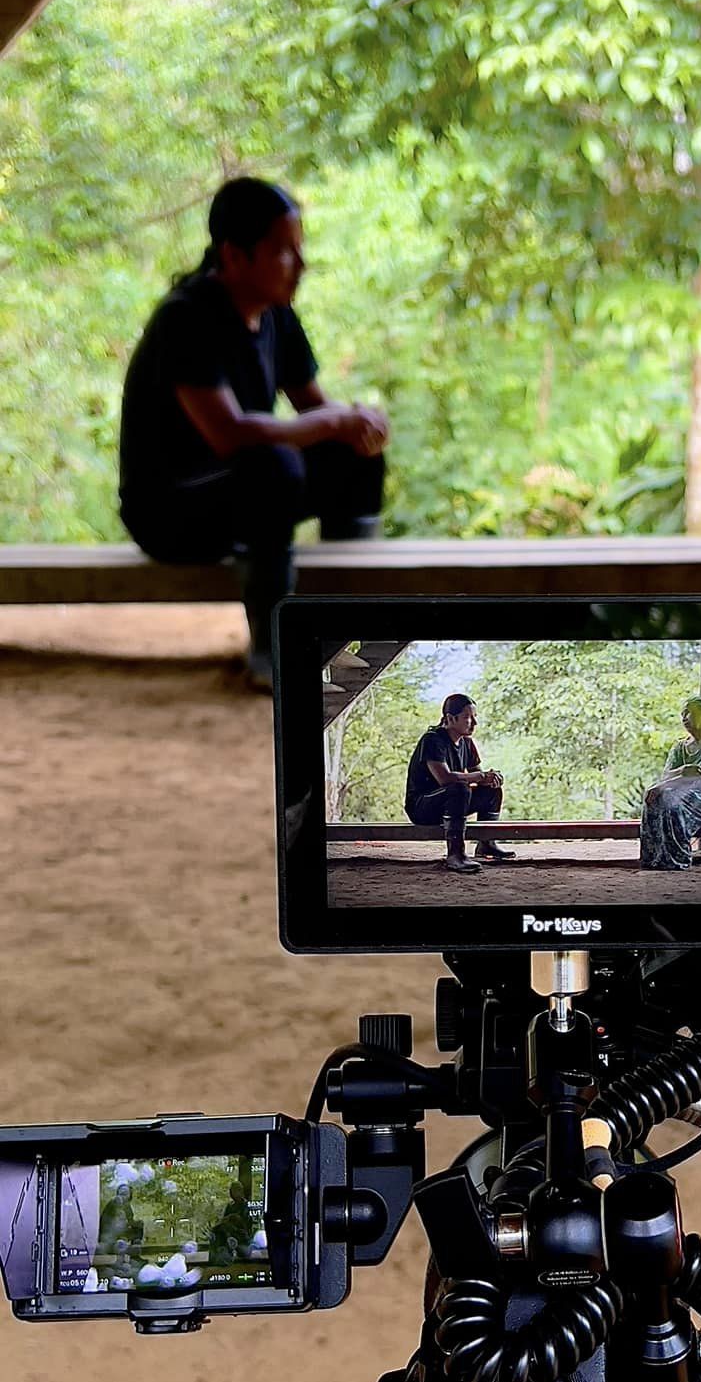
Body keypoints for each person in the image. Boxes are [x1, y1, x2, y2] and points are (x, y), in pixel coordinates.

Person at [119, 176, 390, 690]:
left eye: (299, 250)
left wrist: (358, 425)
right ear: (234, 256)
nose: (299, 266)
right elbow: (230, 434)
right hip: (169, 511)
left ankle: (350, 627)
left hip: (243, 492)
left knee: (353, 455)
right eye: (283, 252)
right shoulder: (187, 319)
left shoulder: (277, 316)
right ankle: (274, 650)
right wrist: (332, 421)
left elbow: (317, 410)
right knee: (273, 462)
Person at [404, 695, 518, 875]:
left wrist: (490, 778)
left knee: (491, 790)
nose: (474, 723)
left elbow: (477, 777)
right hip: (423, 807)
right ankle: (455, 855)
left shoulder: (467, 742)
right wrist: (479, 776)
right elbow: (445, 778)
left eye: (475, 717)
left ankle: (486, 843)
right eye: (468, 717)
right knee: (458, 787)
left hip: (452, 802)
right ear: (450, 719)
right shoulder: (432, 740)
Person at [640, 696, 701, 871]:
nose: (683, 718)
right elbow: (667, 774)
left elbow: (700, 775)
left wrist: (671, 781)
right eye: (682, 714)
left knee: (670, 796)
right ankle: (652, 858)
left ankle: (677, 858)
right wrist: (682, 771)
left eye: (688, 713)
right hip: (681, 794)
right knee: (652, 797)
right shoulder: (679, 747)